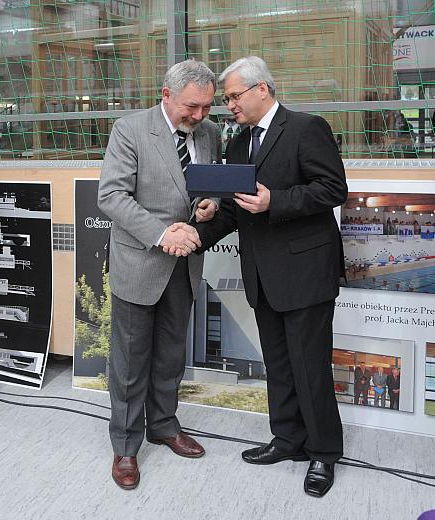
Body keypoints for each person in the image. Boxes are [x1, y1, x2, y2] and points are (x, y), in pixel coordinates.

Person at [191, 56, 347, 498]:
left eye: (234, 97)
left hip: (305, 273)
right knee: (278, 365)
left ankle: (323, 453)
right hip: (262, 275)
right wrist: (208, 219)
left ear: (263, 89)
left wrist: (275, 201)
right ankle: (287, 439)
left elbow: (334, 189)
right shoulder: (239, 145)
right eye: (226, 100)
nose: (229, 106)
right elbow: (238, 209)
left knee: (310, 368)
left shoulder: (305, 127)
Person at [96, 59, 222, 490]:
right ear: (166, 95)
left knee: (170, 356)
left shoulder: (210, 133)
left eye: (207, 107)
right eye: (192, 106)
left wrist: (211, 206)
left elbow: (208, 188)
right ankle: (126, 446)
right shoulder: (130, 130)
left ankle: (164, 426)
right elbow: (111, 195)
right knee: (130, 362)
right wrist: (160, 232)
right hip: (141, 261)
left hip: (185, 267)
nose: (200, 116)